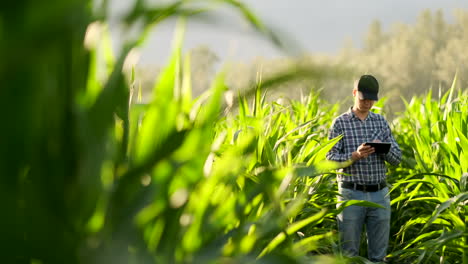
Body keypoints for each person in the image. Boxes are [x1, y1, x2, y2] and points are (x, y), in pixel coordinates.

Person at [326, 75, 402, 262]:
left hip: (380, 194)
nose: (368, 103)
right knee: (349, 255)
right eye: (363, 98)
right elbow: (330, 160)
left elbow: (397, 159)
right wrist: (355, 156)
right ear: (354, 94)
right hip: (351, 194)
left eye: (371, 99)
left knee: (379, 256)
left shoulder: (380, 122)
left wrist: (383, 148)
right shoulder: (339, 123)